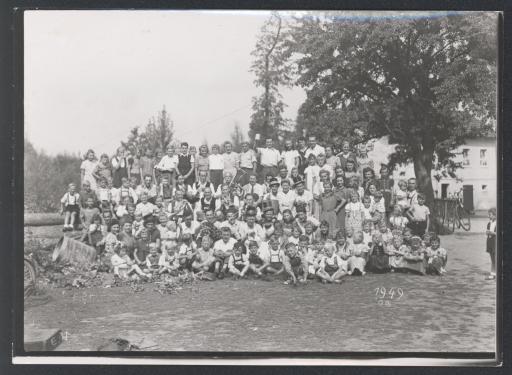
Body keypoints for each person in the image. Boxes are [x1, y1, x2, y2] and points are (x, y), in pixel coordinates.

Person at [485, 207, 497, 280]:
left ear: (495, 215)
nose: (489, 216)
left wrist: (491, 233)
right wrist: (487, 232)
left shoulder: (497, 223)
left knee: (495, 258)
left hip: (495, 241)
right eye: (489, 215)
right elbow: (487, 231)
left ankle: (494, 273)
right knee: (492, 258)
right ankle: (493, 273)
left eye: (490, 215)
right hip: (489, 241)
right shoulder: (489, 223)